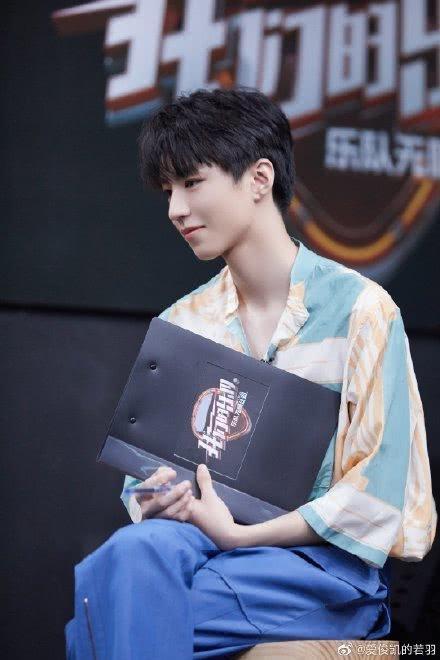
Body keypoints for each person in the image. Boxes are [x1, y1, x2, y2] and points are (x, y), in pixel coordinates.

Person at [65, 87, 437, 659]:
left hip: (315, 571)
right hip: (194, 552)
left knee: (101, 617)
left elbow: (382, 494)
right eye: (168, 191)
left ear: (260, 178)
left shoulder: (362, 311)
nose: (175, 209)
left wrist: (242, 535)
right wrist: (164, 496)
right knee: (127, 556)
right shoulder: (184, 321)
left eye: (192, 183)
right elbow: (142, 483)